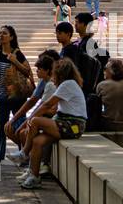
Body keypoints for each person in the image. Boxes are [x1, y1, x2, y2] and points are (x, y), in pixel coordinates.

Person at [20, 58, 87, 190]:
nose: (52, 77)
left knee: (35, 121)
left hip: (72, 125)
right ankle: (34, 176)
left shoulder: (67, 84)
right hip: (66, 123)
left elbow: (47, 104)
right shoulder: (69, 84)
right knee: (38, 142)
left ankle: (24, 152)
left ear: (59, 73)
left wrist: (30, 120)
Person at [4, 52, 60, 163]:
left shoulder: (51, 84)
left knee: (23, 132)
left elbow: (42, 107)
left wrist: (23, 124)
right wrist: (15, 119)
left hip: (52, 119)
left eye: (39, 68)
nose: (37, 71)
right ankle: (27, 157)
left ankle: (29, 159)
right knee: (11, 129)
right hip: (45, 117)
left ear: (49, 69)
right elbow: (34, 102)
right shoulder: (45, 81)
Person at [0, 25, 34, 161]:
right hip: (2, 96)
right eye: (0, 33)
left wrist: (15, 61)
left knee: (20, 126)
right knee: (1, 128)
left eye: (4, 33)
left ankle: (23, 153)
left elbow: (28, 71)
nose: (1, 35)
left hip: (17, 97)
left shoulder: (17, 53)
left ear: (11, 37)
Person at [92, 59, 123, 132]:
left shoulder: (102, 85)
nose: (104, 71)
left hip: (108, 125)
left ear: (111, 71)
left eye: (105, 69)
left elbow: (96, 106)